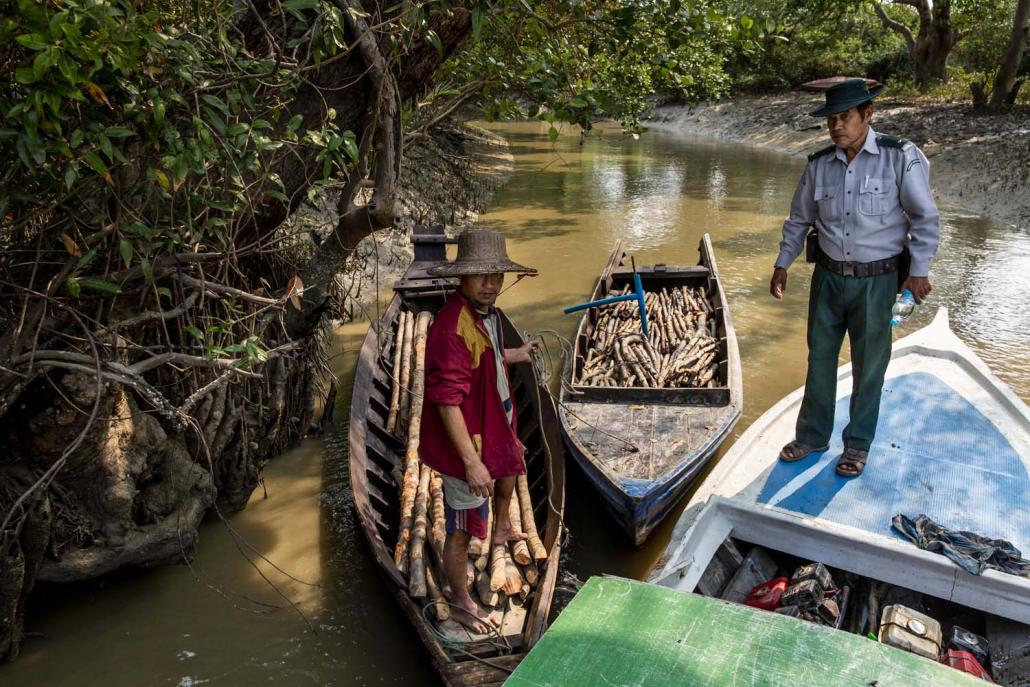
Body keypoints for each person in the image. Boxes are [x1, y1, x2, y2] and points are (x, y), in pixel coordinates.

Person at [770, 79, 940, 478]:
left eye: (844, 117)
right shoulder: (818, 165)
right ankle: (812, 436)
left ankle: (857, 445)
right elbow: (799, 220)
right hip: (828, 280)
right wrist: (783, 262)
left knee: (869, 367)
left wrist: (918, 271)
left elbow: (925, 218)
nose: (836, 127)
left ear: (868, 114)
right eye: (831, 120)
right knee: (820, 360)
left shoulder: (900, 157)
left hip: (878, 282)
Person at [419, 228, 538, 633]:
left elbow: (484, 357)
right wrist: (470, 463)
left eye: (496, 276)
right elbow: (446, 400)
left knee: (511, 464)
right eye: (481, 276)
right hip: (467, 442)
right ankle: (461, 600)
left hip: (493, 421)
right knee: (460, 529)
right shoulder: (453, 326)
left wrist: (515, 355)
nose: (490, 285)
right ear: (462, 277)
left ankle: (502, 522)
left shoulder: (483, 316)